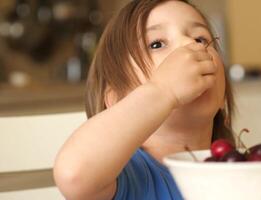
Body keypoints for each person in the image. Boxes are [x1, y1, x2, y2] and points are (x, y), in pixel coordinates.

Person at [54, 0, 236, 199]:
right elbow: (74, 175)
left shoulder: (241, 169)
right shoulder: (126, 176)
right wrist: (163, 90)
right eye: (156, 44)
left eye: (200, 39)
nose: (190, 46)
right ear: (118, 100)